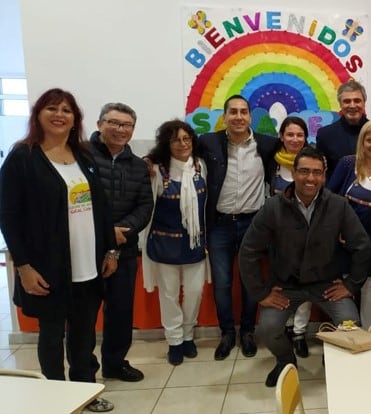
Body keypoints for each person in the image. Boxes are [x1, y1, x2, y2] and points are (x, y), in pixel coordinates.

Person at [0, 88, 117, 412]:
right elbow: (8, 215)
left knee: (83, 337)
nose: (59, 115)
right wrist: (23, 266)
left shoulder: (83, 156)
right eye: (51, 108)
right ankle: (53, 399)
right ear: (38, 114)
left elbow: (102, 208)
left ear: (74, 119)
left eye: (66, 110)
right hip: (47, 269)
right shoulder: (23, 157)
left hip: (88, 266)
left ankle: (85, 393)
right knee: (51, 338)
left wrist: (110, 251)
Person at [238, 146, 371, 387]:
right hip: (286, 285)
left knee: (351, 323)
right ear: (294, 172)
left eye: (317, 172)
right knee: (268, 328)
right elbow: (248, 251)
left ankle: (333, 363)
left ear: (324, 175)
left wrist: (351, 285)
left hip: (326, 284)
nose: (311, 178)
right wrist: (261, 292)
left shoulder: (338, 205)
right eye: (304, 171)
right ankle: (285, 361)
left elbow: (362, 245)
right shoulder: (273, 207)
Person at [200, 94, 276, 360]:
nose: (239, 117)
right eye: (233, 112)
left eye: (244, 112)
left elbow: (296, 150)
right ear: (224, 116)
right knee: (222, 283)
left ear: (250, 117)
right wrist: (152, 161)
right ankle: (227, 333)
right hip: (220, 225)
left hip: (252, 225)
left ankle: (246, 332)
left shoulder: (267, 145)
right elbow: (178, 150)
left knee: (250, 283)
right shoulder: (208, 142)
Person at [88, 102, 153, 382]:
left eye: (126, 125)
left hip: (124, 248)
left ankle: (115, 364)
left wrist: (120, 232)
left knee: (120, 310)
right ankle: (84, 372)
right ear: (100, 124)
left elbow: (144, 206)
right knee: (84, 314)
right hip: (85, 248)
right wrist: (105, 230)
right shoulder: (79, 157)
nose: (120, 129)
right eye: (113, 123)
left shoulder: (138, 166)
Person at [142, 120, 210, 365]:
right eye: (175, 140)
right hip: (164, 245)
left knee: (194, 292)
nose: (182, 144)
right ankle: (174, 341)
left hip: (195, 244)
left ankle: (189, 335)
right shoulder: (157, 170)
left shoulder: (201, 166)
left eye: (186, 138)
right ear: (166, 144)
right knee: (169, 295)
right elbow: (147, 206)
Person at [327, 119, 371, 329]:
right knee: (343, 294)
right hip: (344, 247)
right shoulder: (347, 164)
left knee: (370, 297)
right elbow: (329, 202)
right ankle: (344, 339)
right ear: (362, 141)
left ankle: (369, 340)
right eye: (370, 140)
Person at [267, 116, 313, 357]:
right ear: (282, 136)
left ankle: (299, 332)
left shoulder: (315, 162)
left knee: (305, 286)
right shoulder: (271, 163)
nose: (295, 139)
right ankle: (284, 328)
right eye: (290, 134)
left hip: (307, 236)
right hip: (277, 237)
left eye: (300, 135)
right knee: (282, 284)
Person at [316, 80, 369, 180]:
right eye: (347, 101)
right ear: (340, 104)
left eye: (357, 101)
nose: (352, 105)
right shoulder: (325, 135)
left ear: (364, 103)